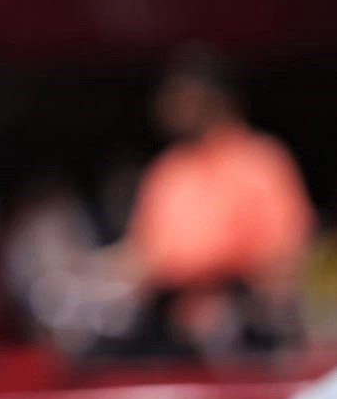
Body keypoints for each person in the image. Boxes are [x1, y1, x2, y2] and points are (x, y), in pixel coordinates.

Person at [97, 48, 315, 359]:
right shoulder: (169, 170)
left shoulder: (261, 161)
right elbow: (143, 253)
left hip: (245, 321)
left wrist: (205, 271)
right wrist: (94, 269)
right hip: (171, 326)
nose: (170, 107)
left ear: (217, 100)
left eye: (182, 97)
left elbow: (285, 252)